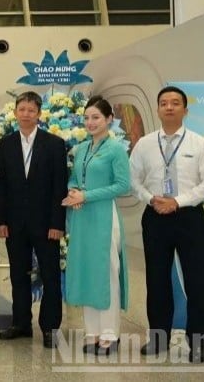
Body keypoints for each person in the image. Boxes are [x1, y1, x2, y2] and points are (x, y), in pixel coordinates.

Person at [130, 86, 204, 363]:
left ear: (185, 110)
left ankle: (199, 342)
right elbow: (133, 180)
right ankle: (159, 337)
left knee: (196, 281)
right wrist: (150, 198)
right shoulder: (144, 143)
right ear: (157, 109)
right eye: (164, 103)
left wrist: (177, 201)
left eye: (175, 103)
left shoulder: (199, 143)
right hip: (155, 215)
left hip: (188, 217)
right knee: (156, 280)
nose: (169, 107)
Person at [0, 91, 67, 349]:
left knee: (50, 276)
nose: (26, 114)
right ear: (15, 113)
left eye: (31, 110)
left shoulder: (55, 144)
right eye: (21, 109)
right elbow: (1, 186)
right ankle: (21, 323)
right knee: (18, 275)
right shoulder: (5, 144)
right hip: (14, 224)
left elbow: (60, 188)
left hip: (47, 224)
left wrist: (58, 224)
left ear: (39, 113)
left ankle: (50, 328)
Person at [61, 95, 130, 355]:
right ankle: (92, 331)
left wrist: (87, 196)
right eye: (87, 118)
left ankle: (110, 333)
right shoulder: (82, 148)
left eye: (96, 117)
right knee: (86, 271)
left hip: (104, 216)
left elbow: (123, 186)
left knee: (107, 272)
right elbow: (74, 178)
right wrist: (73, 192)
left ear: (109, 119)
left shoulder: (116, 150)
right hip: (81, 217)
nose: (90, 122)